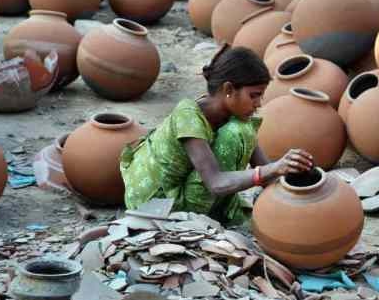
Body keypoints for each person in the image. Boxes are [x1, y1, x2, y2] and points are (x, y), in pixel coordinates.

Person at [120, 44, 314, 225]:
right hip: (156, 205)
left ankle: (215, 213)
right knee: (237, 133)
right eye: (253, 95)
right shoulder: (188, 116)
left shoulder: (233, 114)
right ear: (229, 89)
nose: (259, 103)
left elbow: (265, 170)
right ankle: (199, 222)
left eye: (261, 96)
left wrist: (294, 181)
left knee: (242, 131)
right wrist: (273, 168)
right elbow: (216, 183)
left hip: (182, 189)